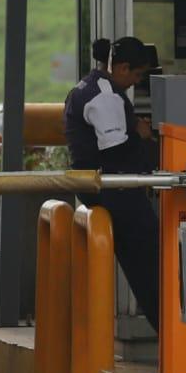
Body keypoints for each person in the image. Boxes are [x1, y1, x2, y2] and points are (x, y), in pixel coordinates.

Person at [63, 35, 162, 328]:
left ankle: (167, 331)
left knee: (143, 264)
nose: (135, 81)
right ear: (120, 68)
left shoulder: (87, 86)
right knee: (151, 263)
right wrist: (142, 137)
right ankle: (170, 333)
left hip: (100, 189)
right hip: (114, 190)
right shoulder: (105, 96)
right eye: (136, 74)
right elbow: (115, 149)